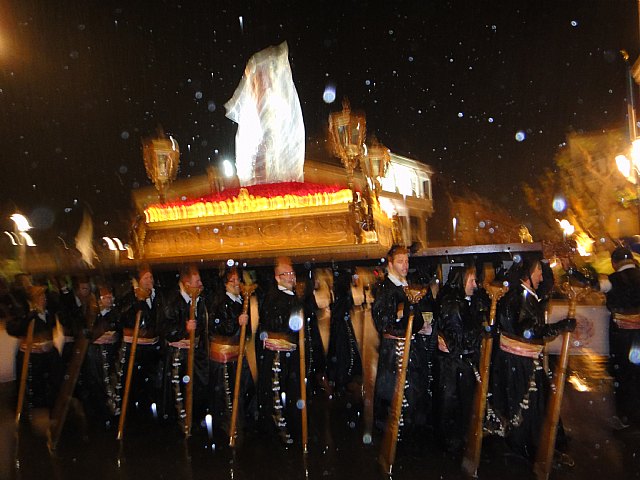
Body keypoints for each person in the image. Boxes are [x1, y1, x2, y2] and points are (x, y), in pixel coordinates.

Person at [487, 258, 574, 463]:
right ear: (527, 274)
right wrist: (559, 327)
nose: (541, 276)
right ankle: (530, 446)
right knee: (527, 404)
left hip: (518, 361)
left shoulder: (524, 295)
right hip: (519, 362)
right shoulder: (521, 297)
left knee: (534, 402)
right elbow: (528, 331)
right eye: (538, 272)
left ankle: (539, 442)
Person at [372, 245, 428, 440]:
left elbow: (418, 318)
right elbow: (382, 322)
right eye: (400, 261)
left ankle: (410, 435)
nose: (405, 265)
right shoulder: (385, 289)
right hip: (393, 353)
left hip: (412, 349)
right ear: (390, 263)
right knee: (393, 394)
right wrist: (400, 316)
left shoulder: (409, 287)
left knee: (412, 393)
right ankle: (392, 436)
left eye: (407, 261)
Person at [435, 265, 489, 454]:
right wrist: (481, 331)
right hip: (454, 364)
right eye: (471, 280)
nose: (475, 285)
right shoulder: (453, 305)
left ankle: (460, 438)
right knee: (453, 403)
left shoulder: (465, 302)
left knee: (460, 403)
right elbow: (458, 340)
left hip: (459, 362)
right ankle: (453, 442)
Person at [256, 257, 305, 445]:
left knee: (291, 391)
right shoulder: (273, 297)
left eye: (293, 273)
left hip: (291, 352)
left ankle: (293, 428)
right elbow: (279, 323)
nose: (291, 277)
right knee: (276, 393)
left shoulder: (295, 296)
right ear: (277, 278)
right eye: (287, 274)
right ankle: (279, 431)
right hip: (277, 353)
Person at [208, 267, 256, 435]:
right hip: (225, 359)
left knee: (242, 389)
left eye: (238, 280)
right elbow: (219, 326)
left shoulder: (241, 302)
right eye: (233, 281)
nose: (237, 284)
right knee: (227, 392)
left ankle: (240, 422)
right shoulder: (221, 303)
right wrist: (237, 322)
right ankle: (228, 425)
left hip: (239, 356)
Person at [163, 264, 208, 432]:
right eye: (197, 281)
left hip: (196, 353)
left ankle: (195, 421)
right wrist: (184, 329)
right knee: (179, 390)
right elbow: (166, 329)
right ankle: (180, 424)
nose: (200, 284)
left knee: (197, 389)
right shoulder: (172, 301)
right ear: (186, 283)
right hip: (179, 355)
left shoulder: (200, 301)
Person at [118, 264, 165, 422]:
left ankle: (151, 416)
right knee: (134, 384)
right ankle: (133, 417)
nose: (149, 281)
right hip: (135, 349)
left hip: (152, 348)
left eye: (151, 277)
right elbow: (123, 316)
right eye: (145, 278)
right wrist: (137, 302)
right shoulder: (130, 297)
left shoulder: (157, 296)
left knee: (152, 385)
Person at [6, 285, 62, 414]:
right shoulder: (25, 315)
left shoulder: (49, 313)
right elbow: (14, 329)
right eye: (40, 296)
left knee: (53, 385)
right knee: (34, 389)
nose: (43, 299)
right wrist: (30, 316)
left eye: (44, 296)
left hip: (48, 356)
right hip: (32, 358)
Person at [604, 246, 640, 428]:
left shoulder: (612, 280)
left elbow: (610, 304)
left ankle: (625, 417)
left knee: (624, 375)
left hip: (622, 336)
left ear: (614, 263)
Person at [81, 284, 122, 429]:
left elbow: (120, 331)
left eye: (111, 297)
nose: (109, 300)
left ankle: (113, 413)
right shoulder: (91, 314)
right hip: (95, 355)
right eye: (106, 297)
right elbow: (86, 332)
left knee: (112, 382)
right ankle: (100, 414)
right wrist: (96, 337)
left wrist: (114, 336)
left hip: (111, 354)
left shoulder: (116, 314)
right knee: (97, 383)